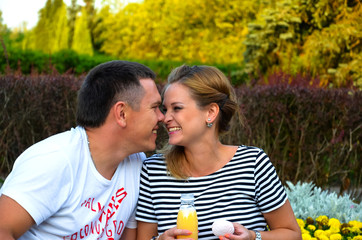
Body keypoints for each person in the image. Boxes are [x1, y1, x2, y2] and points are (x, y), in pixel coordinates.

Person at [0, 60, 165, 240]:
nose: (162, 117)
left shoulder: (135, 162)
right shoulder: (55, 160)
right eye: (155, 107)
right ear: (122, 113)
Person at [135, 65, 302, 240]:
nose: (165, 118)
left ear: (211, 112)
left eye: (176, 108)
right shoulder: (153, 171)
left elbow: (292, 234)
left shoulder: (253, 164)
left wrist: (253, 237)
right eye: (165, 109)